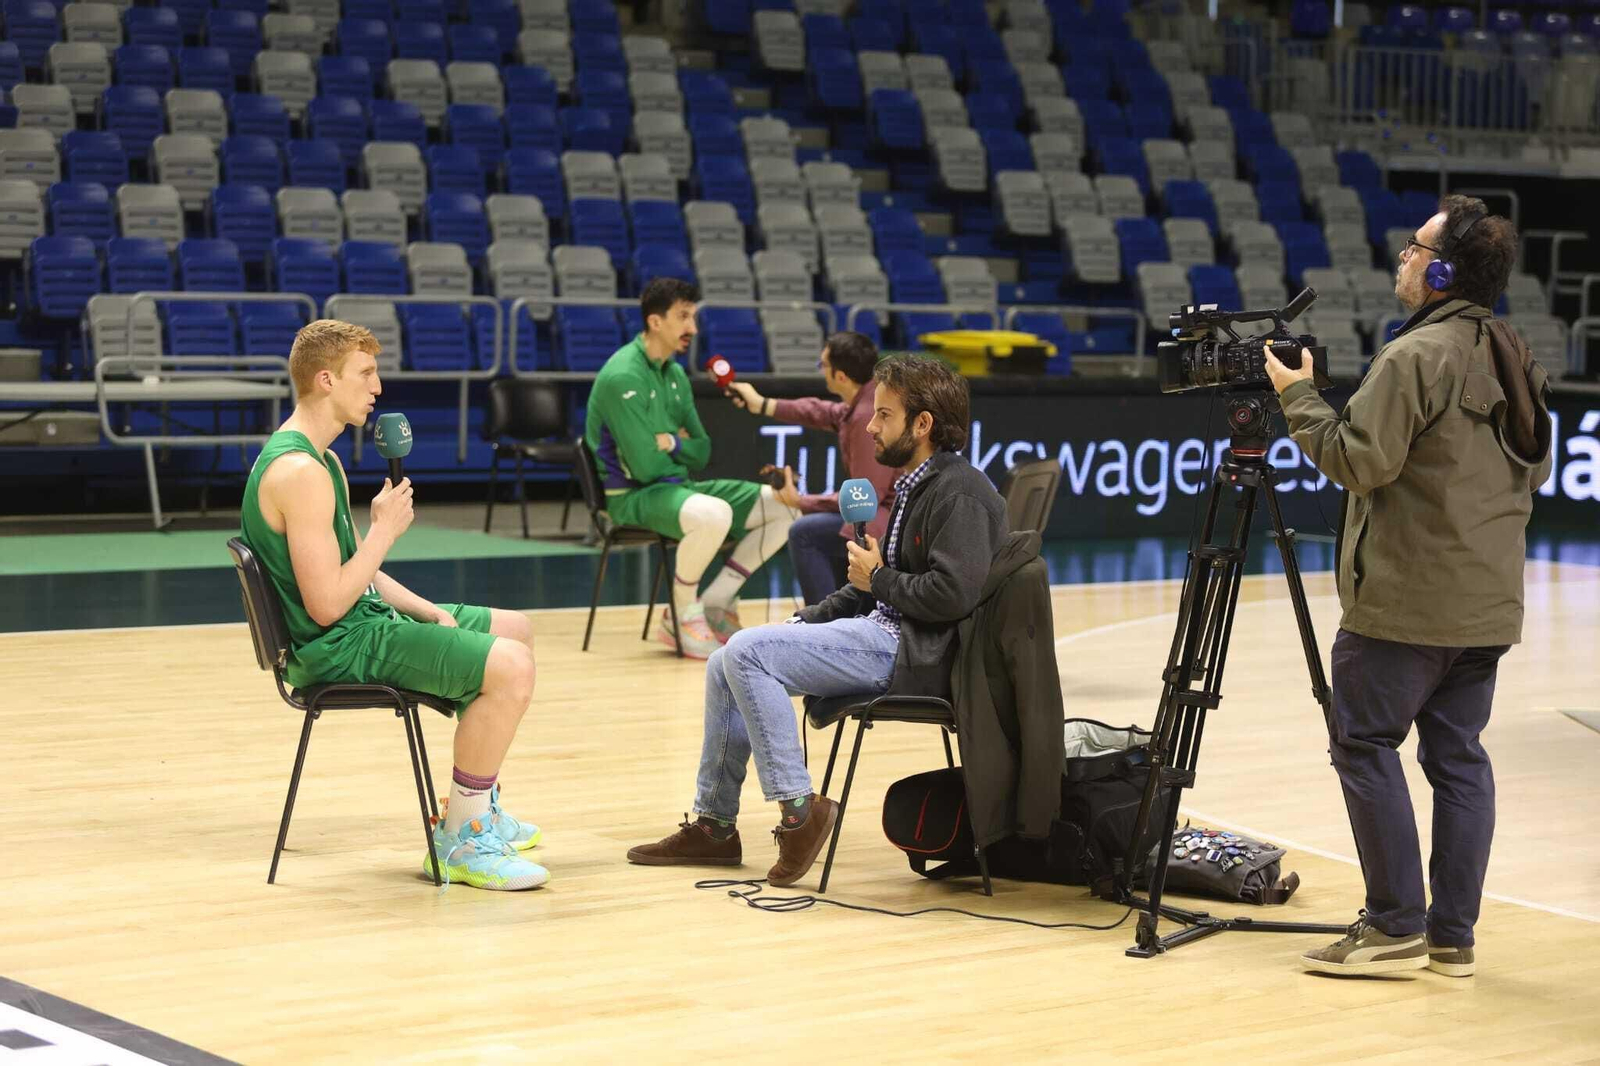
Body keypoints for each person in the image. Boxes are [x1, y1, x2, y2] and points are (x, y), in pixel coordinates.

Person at [1265, 195, 1552, 977]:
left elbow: (1359, 461)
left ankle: (1394, 925)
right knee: (1458, 760)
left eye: (1413, 248)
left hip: (1403, 606)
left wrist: (1296, 394)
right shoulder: (1515, 351)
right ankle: (1451, 938)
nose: (1403, 257)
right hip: (1487, 608)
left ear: (1445, 270)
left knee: (1363, 743)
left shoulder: (1412, 357)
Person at [626, 355, 1007, 887]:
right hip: (888, 631)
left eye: (885, 416)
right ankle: (715, 826)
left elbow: (953, 595)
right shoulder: (914, 485)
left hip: (917, 650)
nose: (871, 426)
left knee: (748, 652)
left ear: (923, 425)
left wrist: (880, 580)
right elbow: (868, 587)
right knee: (724, 660)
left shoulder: (959, 492)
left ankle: (799, 810)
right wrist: (806, 619)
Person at [240, 320, 548, 891]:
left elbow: (359, 569)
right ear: (326, 380)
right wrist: (385, 529)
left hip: (361, 624)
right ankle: (462, 839)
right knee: (512, 667)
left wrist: (426, 609)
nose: (377, 387)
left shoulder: (322, 461)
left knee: (517, 630)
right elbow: (330, 603)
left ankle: (473, 802)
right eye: (366, 373)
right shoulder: (301, 473)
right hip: (336, 646)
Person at [586, 278, 797, 658]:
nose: (693, 329)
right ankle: (682, 612)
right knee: (714, 514)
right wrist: (670, 449)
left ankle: (716, 601)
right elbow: (646, 466)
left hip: (679, 487)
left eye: (694, 317)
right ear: (655, 322)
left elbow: (702, 452)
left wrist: (673, 442)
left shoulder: (676, 375)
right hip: (632, 496)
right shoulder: (622, 377)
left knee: (789, 506)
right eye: (684, 317)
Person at [725, 331, 897, 605]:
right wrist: (762, 404)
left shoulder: (866, 417)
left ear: (840, 376)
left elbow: (866, 498)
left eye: (823, 366)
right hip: (881, 515)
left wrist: (802, 501)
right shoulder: (865, 403)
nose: (821, 371)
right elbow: (815, 410)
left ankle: (823, 625)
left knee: (804, 532)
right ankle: (842, 614)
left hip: (889, 521)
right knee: (822, 531)